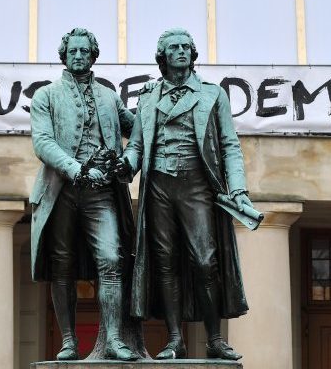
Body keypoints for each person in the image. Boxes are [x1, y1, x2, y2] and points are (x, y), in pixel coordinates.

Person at [120, 28, 255, 360]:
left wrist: (238, 189)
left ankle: (214, 339)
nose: (181, 51)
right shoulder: (149, 97)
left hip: (196, 185)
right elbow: (136, 145)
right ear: (163, 56)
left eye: (185, 47)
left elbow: (229, 145)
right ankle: (174, 339)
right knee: (164, 261)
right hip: (159, 186)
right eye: (173, 47)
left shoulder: (212, 94)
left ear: (193, 54)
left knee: (205, 260)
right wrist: (125, 166)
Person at [29, 27, 137, 361]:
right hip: (61, 190)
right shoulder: (46, 96)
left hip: (102, 191)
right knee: (62, 265)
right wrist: (76, 169)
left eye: (84, 51)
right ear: (64, 55)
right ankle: (68, 340)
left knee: (112, 258)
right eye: (73, 51)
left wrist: (130, 158)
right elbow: (42, 142)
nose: (78, 56)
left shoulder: (109, 96)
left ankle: (114, 339)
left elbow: (139, 129)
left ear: (93, 56)